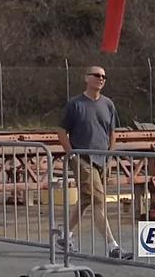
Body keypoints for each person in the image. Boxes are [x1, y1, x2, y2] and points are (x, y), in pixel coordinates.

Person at [56, 66, 132, 260]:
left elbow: (112, 131)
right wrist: (72, 154)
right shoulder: (75, 104)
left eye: (104, 76)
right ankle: (112, 246)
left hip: (102, 159)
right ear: (86, 78)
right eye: (97, 75)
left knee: (86, 200)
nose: (101, 79)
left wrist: (109, 155)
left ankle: (65, 235)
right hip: (83, 159)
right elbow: (61, 131)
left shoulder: (108, 104)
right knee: (98, 200)